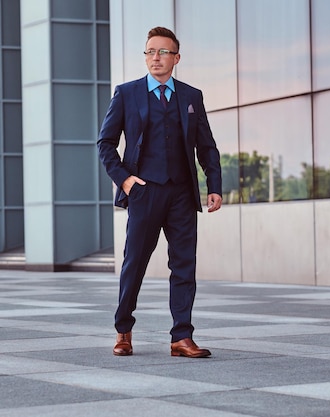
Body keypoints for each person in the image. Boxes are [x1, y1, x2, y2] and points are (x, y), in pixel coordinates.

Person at [97, 26, 222, 358]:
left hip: (181, 193)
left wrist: (214, 186)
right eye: (150, 51)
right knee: (134, 263)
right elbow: (105, 144)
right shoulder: (127, 94)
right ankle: (123, 330)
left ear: (176, 58)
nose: (155, 57)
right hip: (144, 191)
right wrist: (124, 180)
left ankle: (181, 337)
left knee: (184, 266)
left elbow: (207, 145)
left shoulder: (192, 96)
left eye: (163, 52)